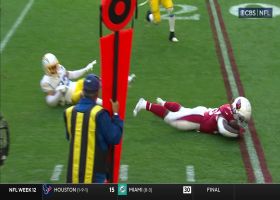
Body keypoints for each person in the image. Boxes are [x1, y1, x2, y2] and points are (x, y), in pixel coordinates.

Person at [63, 74, 123, 183]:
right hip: (95, 174)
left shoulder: (68, 112)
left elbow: (70, 136)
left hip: (73, 173)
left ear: (83, 91)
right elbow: (115, 137)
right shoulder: (99, 114)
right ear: (97, 93)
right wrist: (115, 114)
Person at [40, 53, 136, 107]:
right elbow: (50, 102)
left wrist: (85, 69)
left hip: (75, 84)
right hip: (70, 97)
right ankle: (108, 106)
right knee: (86, 93)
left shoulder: (60, 68)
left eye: (55, 66)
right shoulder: (46, 82)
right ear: (46, 69)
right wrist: (59, 93)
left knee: (94, 80)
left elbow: (71, 74)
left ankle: (123, 81)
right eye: (51, 68)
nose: (55, 69)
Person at [133, 96, 252, 138]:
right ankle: (144, 104)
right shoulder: (225, 115)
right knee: (172, 119)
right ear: (236, 111)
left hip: (202, 113)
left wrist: (237, 127)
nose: (240, 121)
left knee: (182, 110)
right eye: (240, 118)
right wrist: (237, 133)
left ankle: (164, 103)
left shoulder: (228, 108)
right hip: (199, 119)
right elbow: (223, 129)